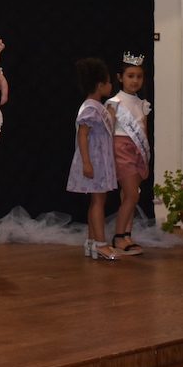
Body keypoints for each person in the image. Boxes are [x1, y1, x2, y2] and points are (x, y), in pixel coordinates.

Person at [66, 58, 120, 260]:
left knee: (98, 199)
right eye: (108, 82)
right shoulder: (90, 108)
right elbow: (82, 134)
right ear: (100, 85)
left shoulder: (99, 107)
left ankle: (91, 241)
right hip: (95, 161)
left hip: (100, 160)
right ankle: (101, 244)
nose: (111, 86)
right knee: (98, 201)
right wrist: (87, 162)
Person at [106, 52, 150, 256]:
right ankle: (118, 237)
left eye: (139, 76)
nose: (135, 80)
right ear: (120, 77)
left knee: (129, 195)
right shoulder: (114, 102)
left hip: (138, 150)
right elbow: (108, 131)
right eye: (130, 76)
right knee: (132, 194)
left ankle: (126, 235)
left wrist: (146, 157)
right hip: (120, 148)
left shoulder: (142, 104)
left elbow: (144, 132)